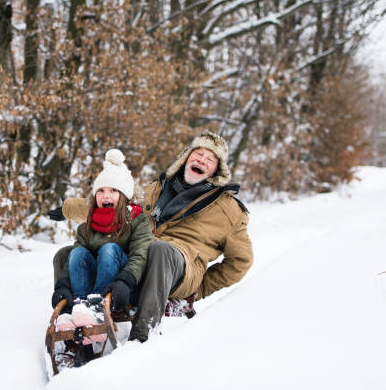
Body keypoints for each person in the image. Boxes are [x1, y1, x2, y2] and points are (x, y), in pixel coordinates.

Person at [50, 131, 254, 343]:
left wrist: (201, 288)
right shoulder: (157, 188)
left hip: (180, 269)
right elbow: (115, 205)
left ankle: (143, 334)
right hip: (139, 259)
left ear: (216, 169)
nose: (202, 160)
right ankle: (75, 321)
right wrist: (68, 208)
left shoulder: (228, 209)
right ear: (186, 157)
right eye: (198, 153)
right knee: (68, 254)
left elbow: (241, 261)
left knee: (160, 249)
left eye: (210, 159)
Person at [50, 149, 153, 345]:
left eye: (114, 191)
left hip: (123, 287)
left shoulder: (137, 221)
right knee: (78, 252)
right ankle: (80, 308)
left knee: (109, 249)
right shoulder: (85, 227)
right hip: (92, 280)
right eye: (101, 191)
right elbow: (76, 260)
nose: (106, 196)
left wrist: (125, 281)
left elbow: (141, 255)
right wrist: (63, 286)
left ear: (124, 196)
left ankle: (96, 308)